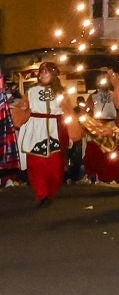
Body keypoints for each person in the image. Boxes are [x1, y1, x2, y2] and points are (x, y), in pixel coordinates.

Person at [18, 62, 69, 207]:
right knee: (36, 166)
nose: (42, 75)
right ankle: (42, 195)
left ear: (53, 74)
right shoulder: (31, 91)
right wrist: (22, 107)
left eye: (46, 72)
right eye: (41, 72)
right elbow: (23, 107)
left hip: (55, 130)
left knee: (55, 170)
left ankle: (50, 192)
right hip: (35, 131)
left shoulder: (61, 93)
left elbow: (67, 111)